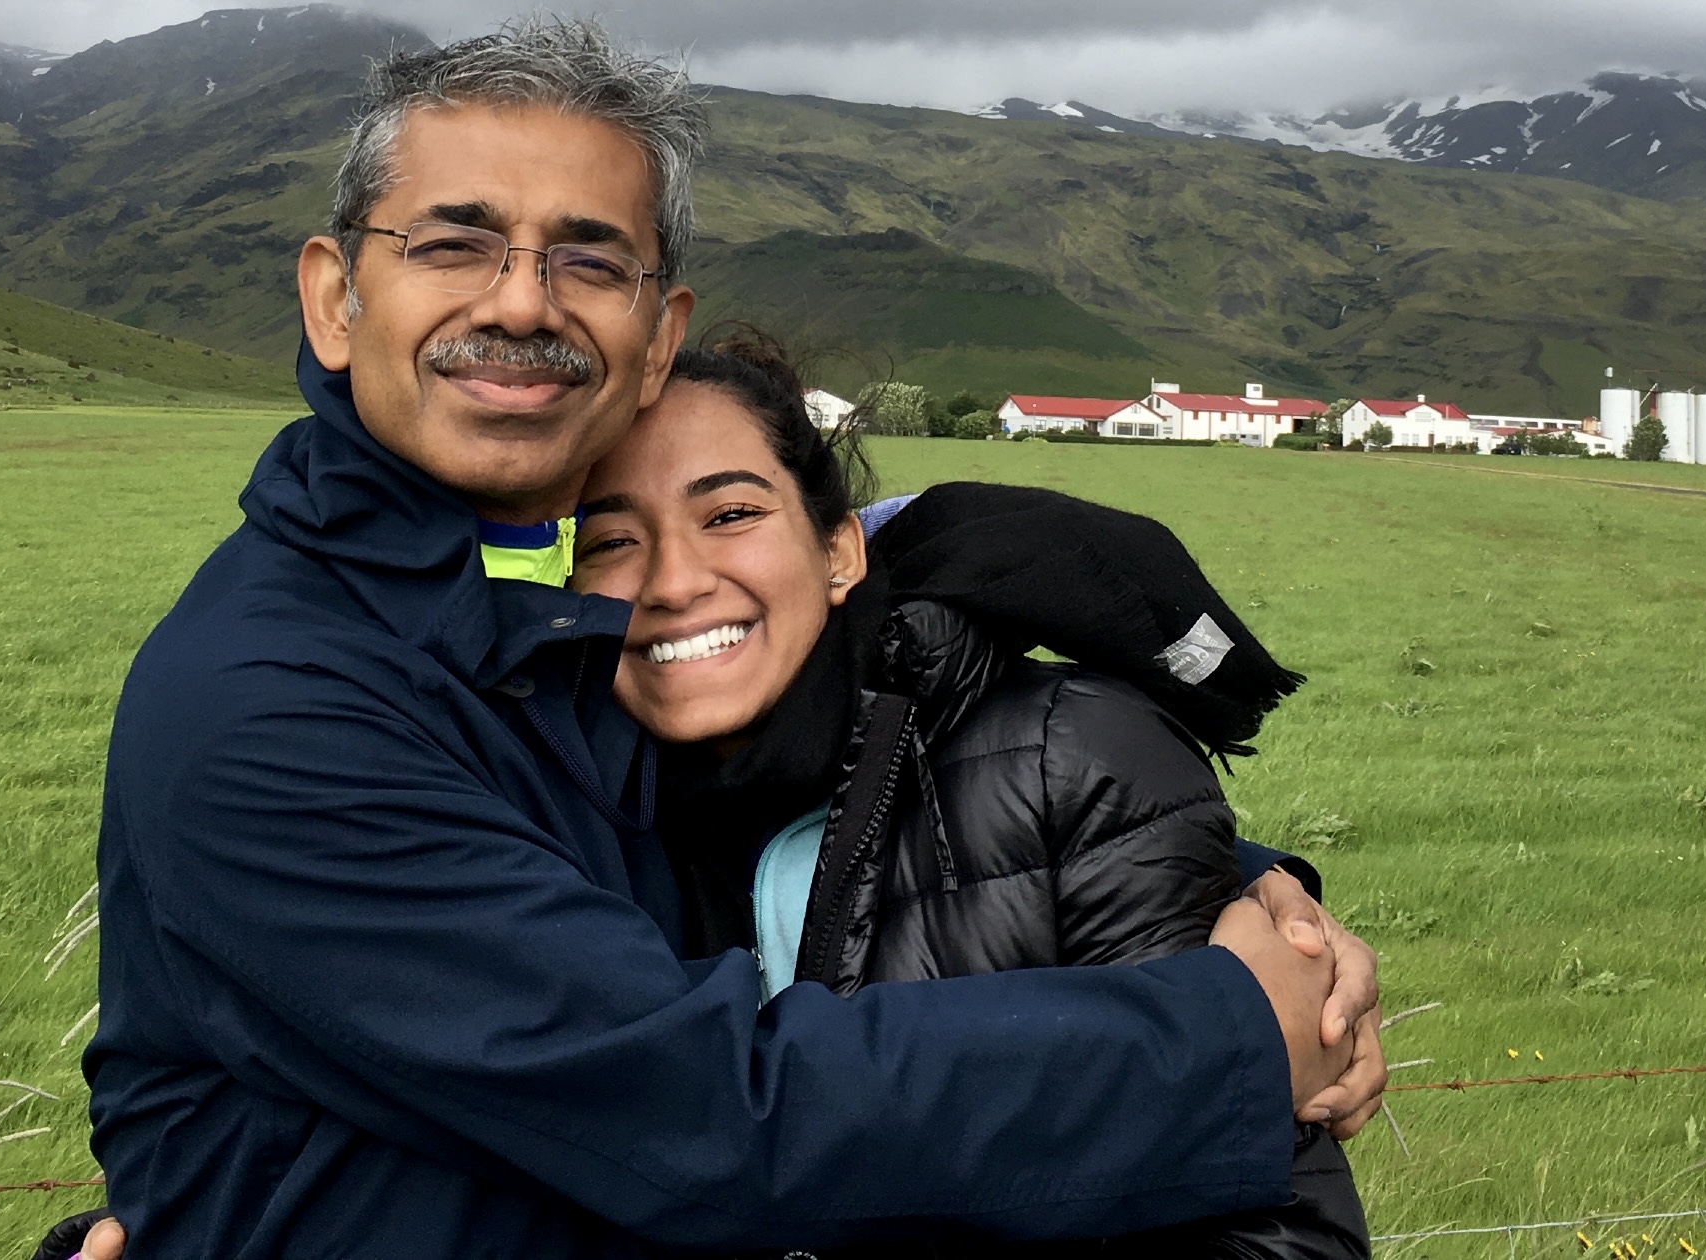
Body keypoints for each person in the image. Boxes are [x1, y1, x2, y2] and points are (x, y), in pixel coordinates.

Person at [81, 21, 1387, 1258]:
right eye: (452, 243)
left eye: (588, 259)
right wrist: (1230, 1033)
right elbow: (713, 1114)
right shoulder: (273, 704)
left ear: (656, 339)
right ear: (334, 298)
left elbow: (842, 788)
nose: (524, 304)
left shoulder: (509, 645)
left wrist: (1185, 857)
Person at [572, 332, 1372, 1258]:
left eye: (731, 514)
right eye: (613, 540)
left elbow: (1281, 1238)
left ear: (841, 550)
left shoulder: (1073, 759)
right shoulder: (562, 809)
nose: (672, 581)